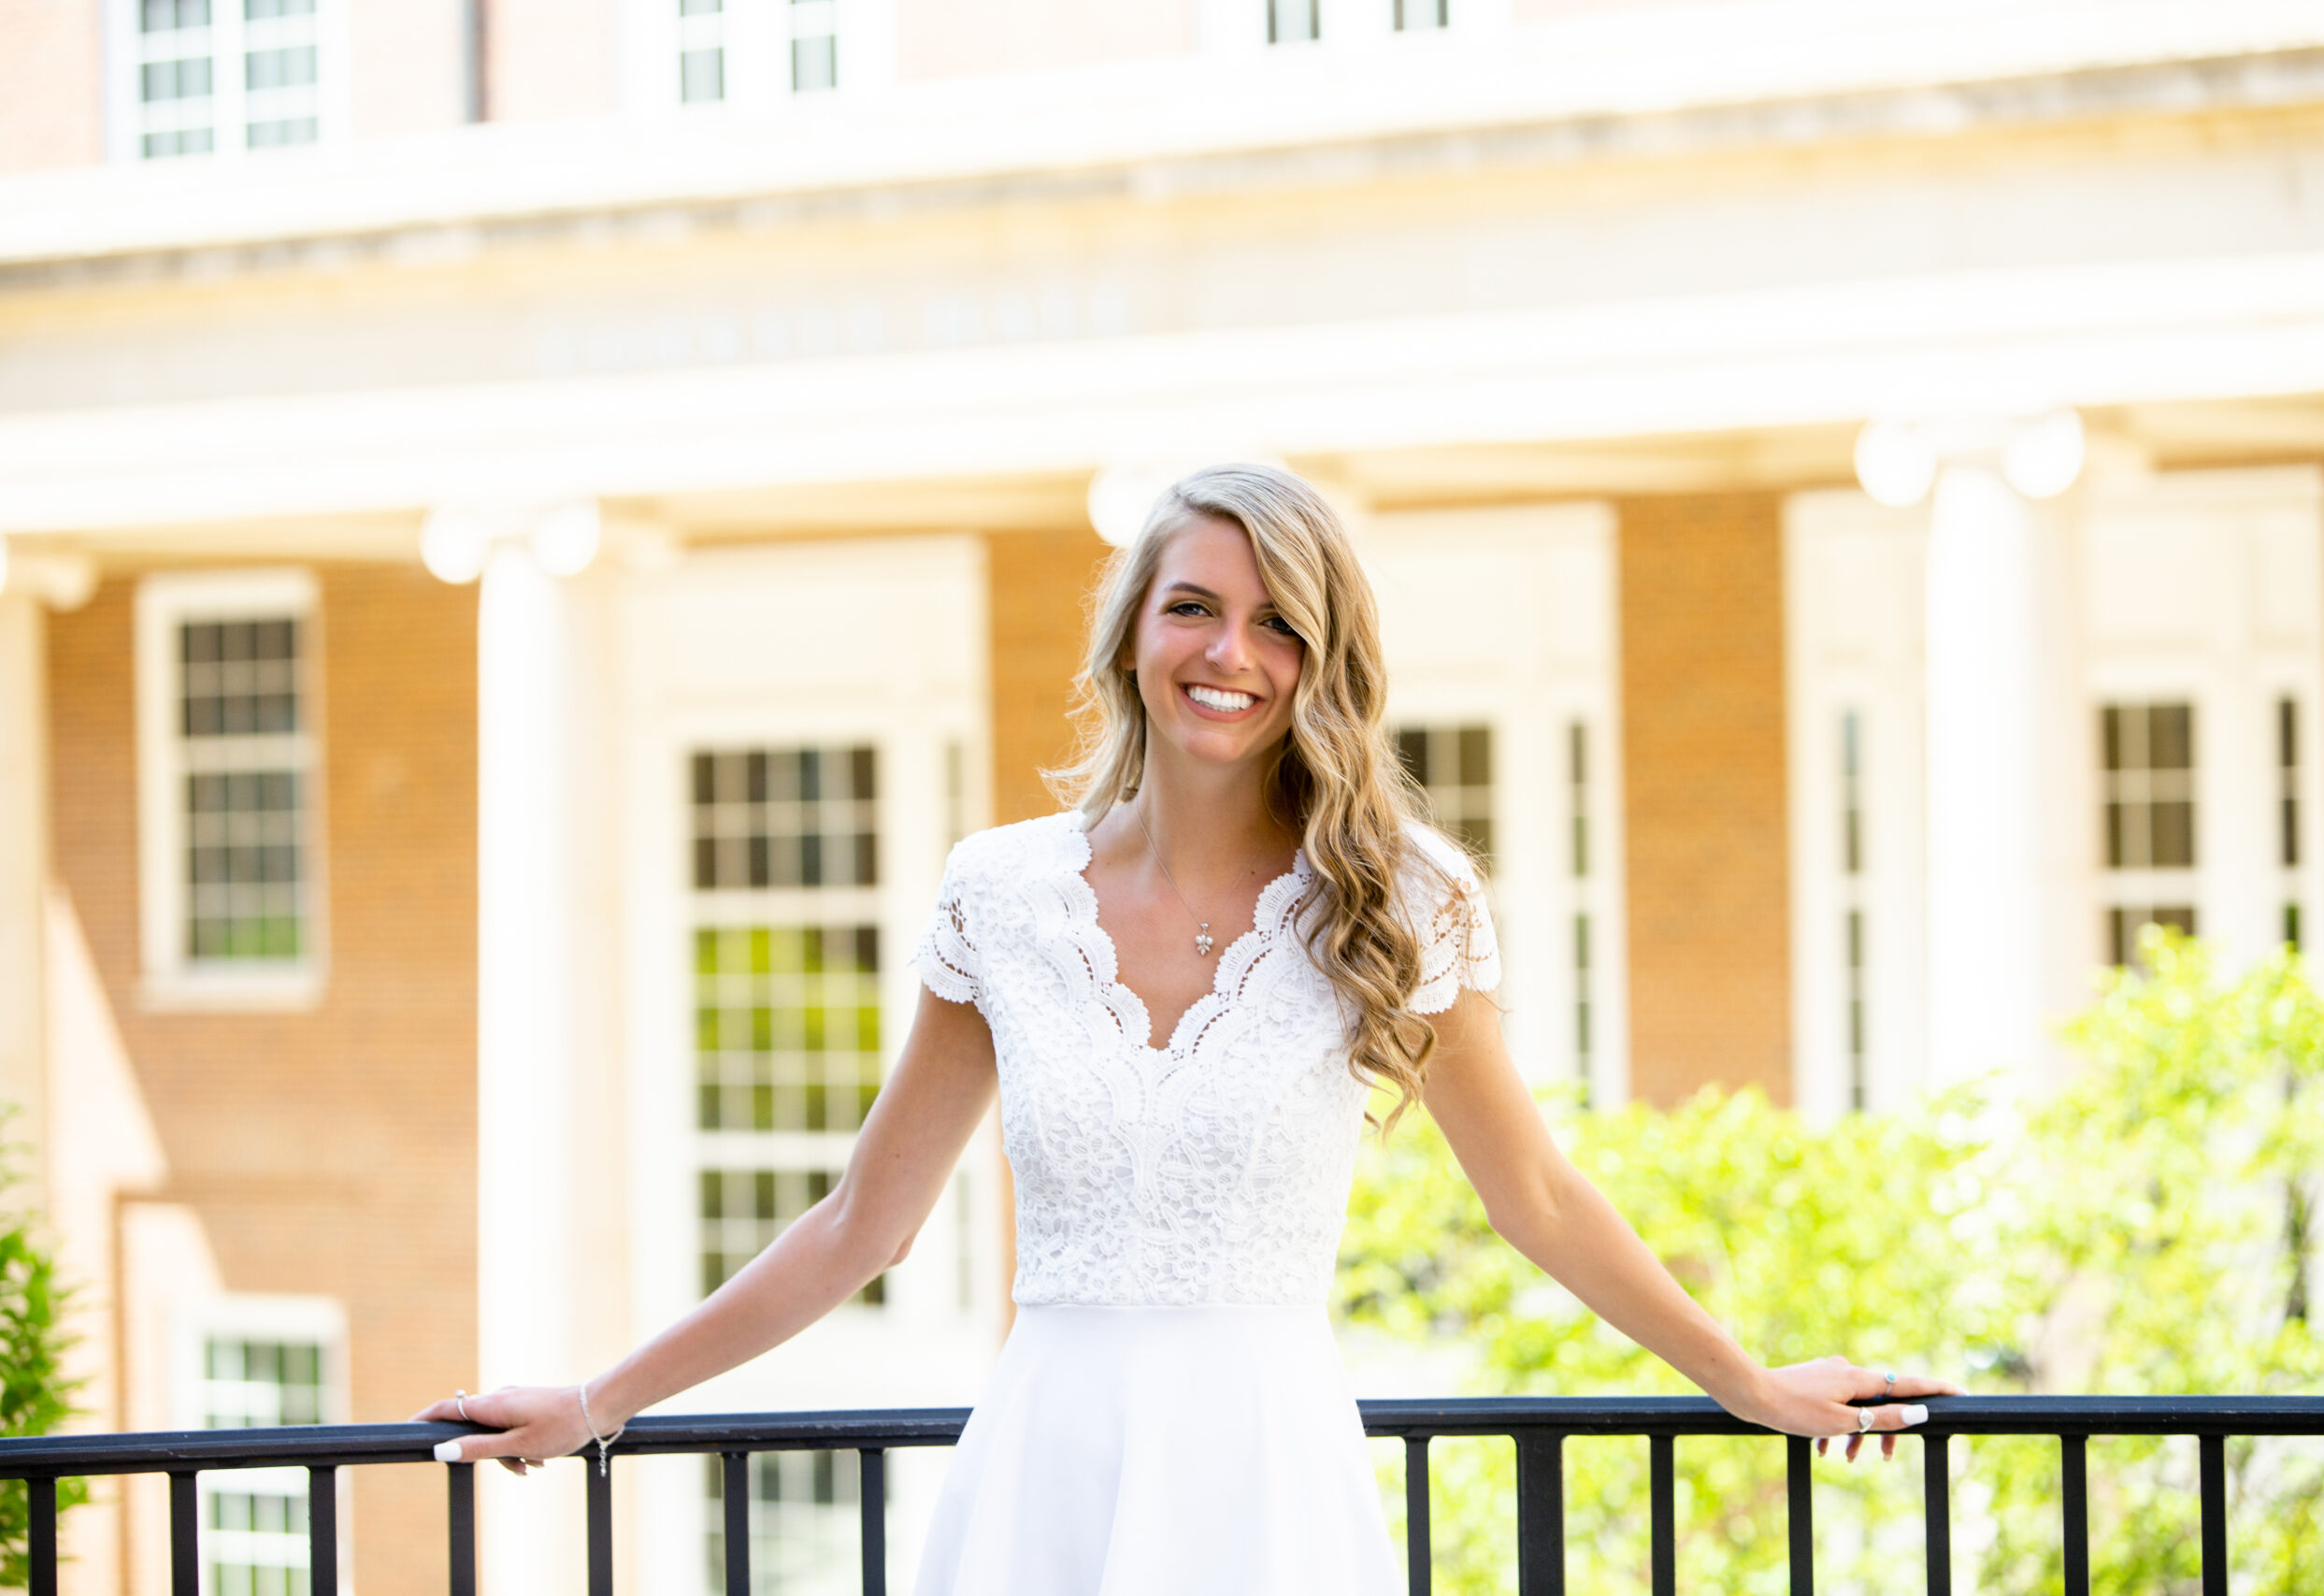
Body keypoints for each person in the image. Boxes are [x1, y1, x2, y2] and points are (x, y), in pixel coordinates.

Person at [418, 464, 1958, 1593]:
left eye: (1278, 623)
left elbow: (1536, 1202)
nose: (1232, 655)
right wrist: (597, 1400)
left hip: (1262, 1485)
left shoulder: (1398, 898)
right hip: (1042, 1478)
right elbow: (856, 1228)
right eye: (1195, 610)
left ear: (1321, 658)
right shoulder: (1002, 896)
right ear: (1133, 634)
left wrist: (1750, 1382)